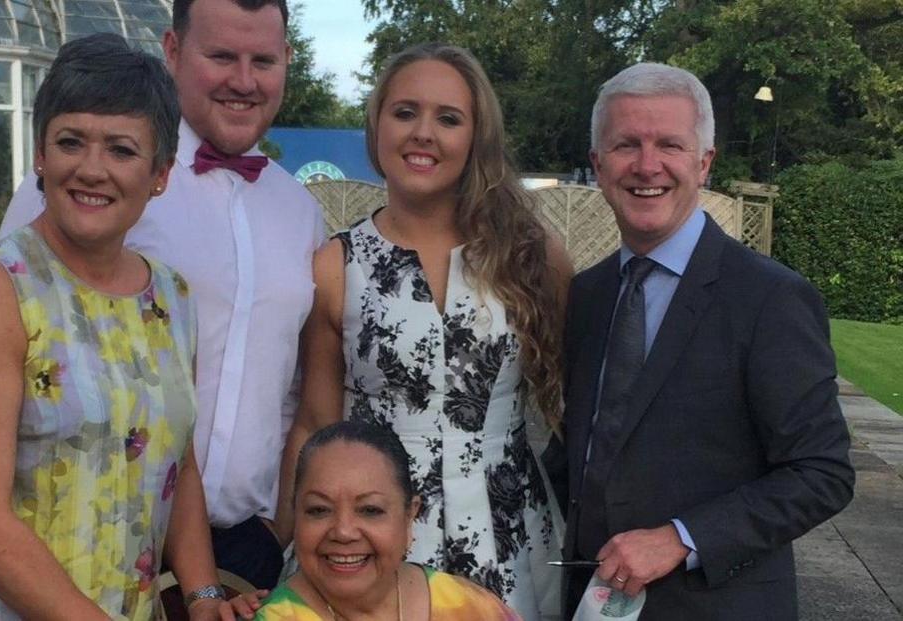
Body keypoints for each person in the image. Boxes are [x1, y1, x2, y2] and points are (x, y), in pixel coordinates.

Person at [0, 33, 242, 620]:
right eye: (70, 141)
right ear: (40, 153)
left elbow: (174, 464)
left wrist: (203, 591)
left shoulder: (173, 297)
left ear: (160, 173)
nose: (91, 169)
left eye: (122, 150)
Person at [0, 0, 325, 590]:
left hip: (243, 547)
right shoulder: (100, 174)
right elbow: (8, 318)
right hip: (85, 536)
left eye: (263, 60)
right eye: (221, 56)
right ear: (173, 51)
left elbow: (294, 385)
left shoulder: (301, 211)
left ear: (287, 63)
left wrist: (276, 528)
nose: (243, 81)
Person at [547, 62, 855, 619]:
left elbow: (822, 473)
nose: (647, 165)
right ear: (597, 165)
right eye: (625, 145)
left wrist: (681, 537)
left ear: (704, 163)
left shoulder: (770, 299)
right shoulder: (588, 296)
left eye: (670, 144)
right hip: (590, 602)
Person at [277, 43, 572, 619]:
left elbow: (583, 399)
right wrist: (281, 549)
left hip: (509, 535)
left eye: (449, 118)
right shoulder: (337, 266)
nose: (423, 133)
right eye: (405, 112)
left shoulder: (533, 256)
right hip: (369, 541)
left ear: (476, 135)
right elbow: (315, 423)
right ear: (377, 124)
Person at [255, 421, 521, 620]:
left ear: (410, 515)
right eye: (319, 510)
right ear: (296, 514)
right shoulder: (279, 616)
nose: (344, 531)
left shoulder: (469, 606)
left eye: (370, 510)